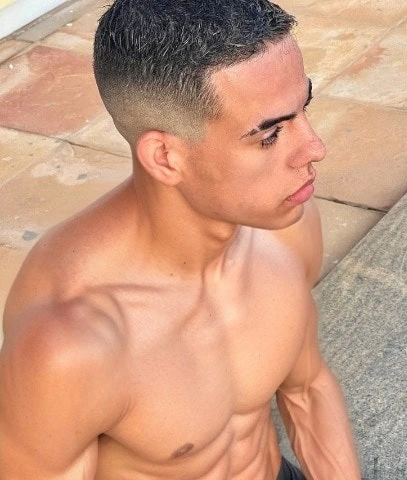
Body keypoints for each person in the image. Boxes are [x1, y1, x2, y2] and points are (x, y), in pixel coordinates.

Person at [0, 1, 361, 478]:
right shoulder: (70, 343)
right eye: (270, 135)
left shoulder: (286, 228)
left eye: (303, 108)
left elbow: (307, 389)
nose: (315, 148)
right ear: (166, 157)